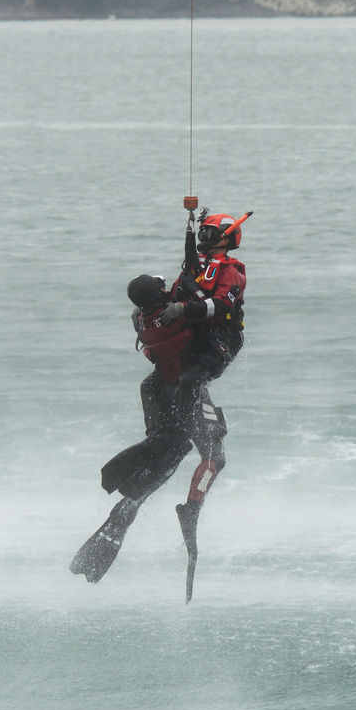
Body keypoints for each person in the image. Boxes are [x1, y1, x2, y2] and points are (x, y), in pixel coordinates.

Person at [70, 211, 248, 598]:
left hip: (159, 386)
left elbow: (190, 279)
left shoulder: (149, 314)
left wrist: (182, 289)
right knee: (213, 454)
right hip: (186, 384)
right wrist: (185, 308)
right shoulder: (215, 277)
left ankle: (130, 504)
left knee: (170, 449)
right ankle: (191, 512)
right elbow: (217, 305)